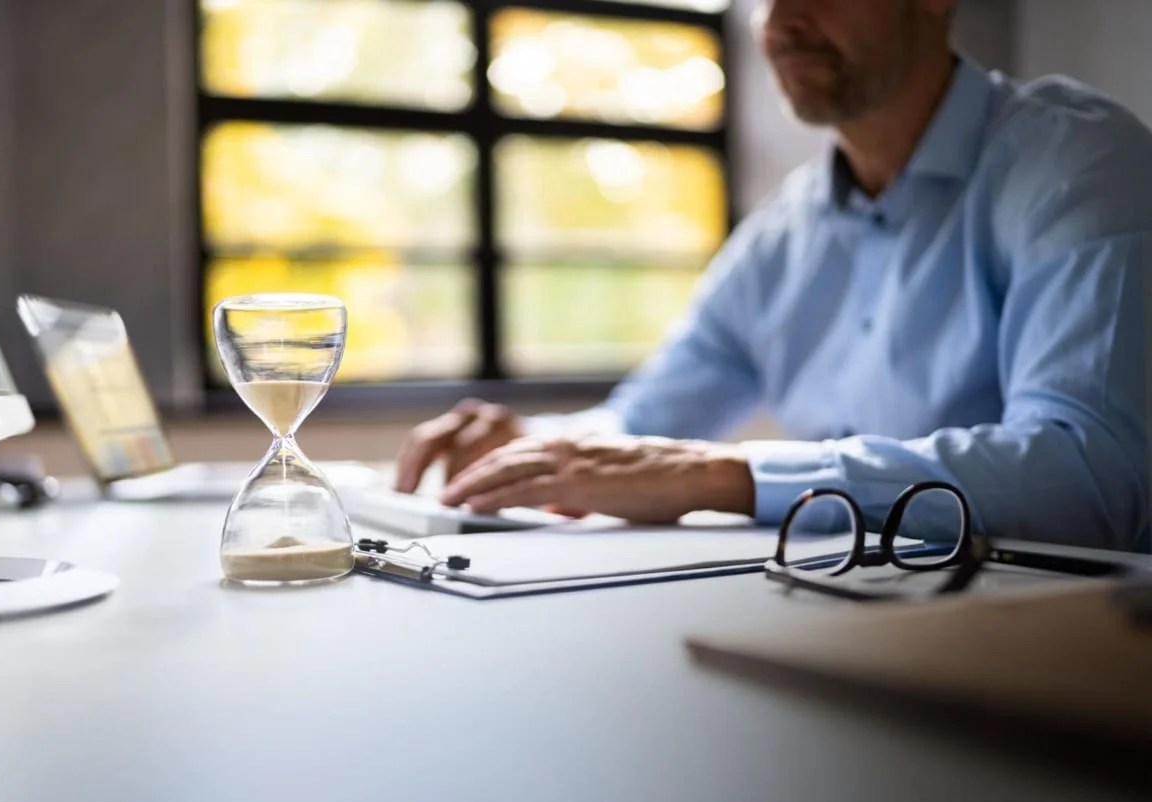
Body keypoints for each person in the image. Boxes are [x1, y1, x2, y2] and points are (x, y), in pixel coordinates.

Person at [394, 0, 1152, 550]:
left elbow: (1091, 477)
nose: (779, 20)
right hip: (844, 611)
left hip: (1062, 645)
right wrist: (535, 445)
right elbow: (647, 424)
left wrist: (727, 476)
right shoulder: (782, 236)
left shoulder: (1076, 162)